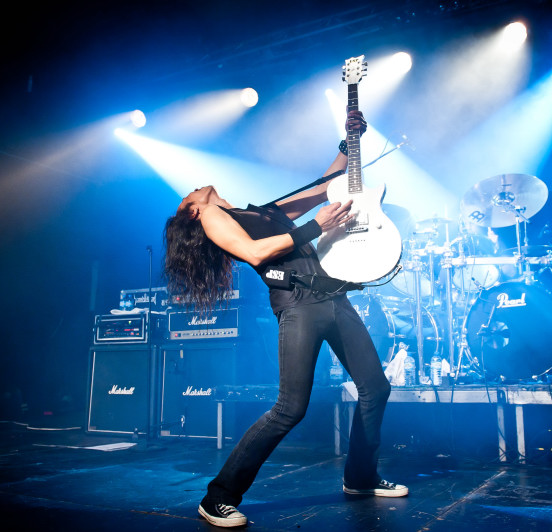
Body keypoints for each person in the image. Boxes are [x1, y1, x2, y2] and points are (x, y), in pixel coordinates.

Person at [163, 109, 407, 528]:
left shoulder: (260, 211)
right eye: (189, 194)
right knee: (290, 408)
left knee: (375, 387)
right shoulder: (212, 218)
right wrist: (313, 227)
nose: (195, 188)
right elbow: (257, 253)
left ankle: (361, 478)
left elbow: (320, 190)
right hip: (298, 305)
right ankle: (218, 496)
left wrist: (348, 142)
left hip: (333, 296)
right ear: (190, 212)